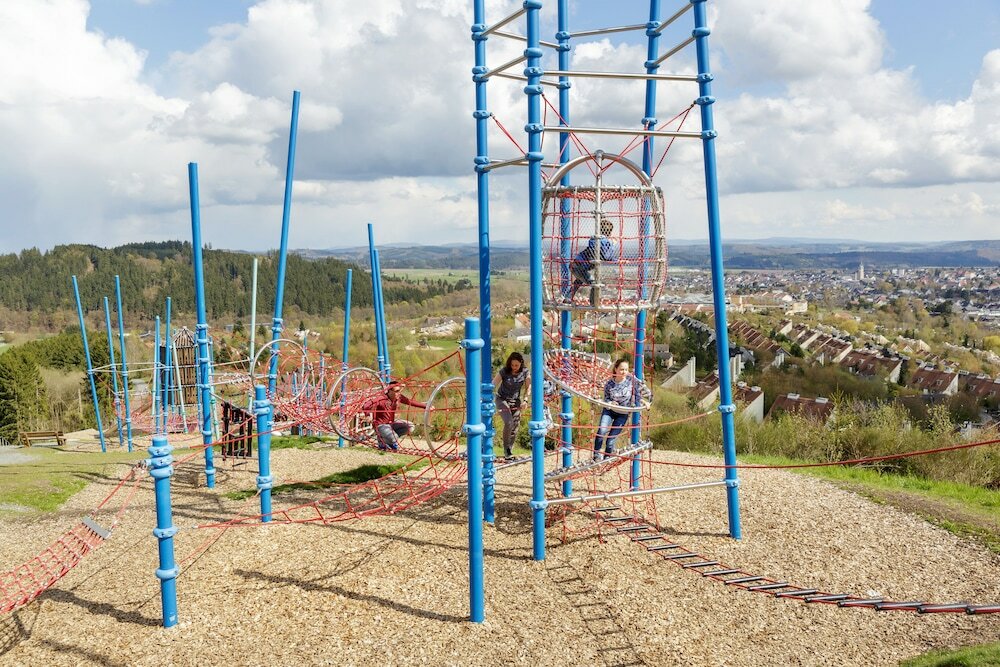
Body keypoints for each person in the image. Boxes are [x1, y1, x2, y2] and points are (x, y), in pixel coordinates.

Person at [361, 380, 429, 451]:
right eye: (396, 391)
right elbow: (366, 405)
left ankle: (386, 439)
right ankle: (383, 441)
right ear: (390, 391)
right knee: (394, 438)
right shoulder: (382, 399)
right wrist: (367, 415)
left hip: (391, 424)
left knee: (410, 426)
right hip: (381, 425)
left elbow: (410, 402)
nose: (398, 393)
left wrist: (426, 406)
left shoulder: (399, 397)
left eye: (399, 391)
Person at [593, 358, 639, 462]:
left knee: (611, 439)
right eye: (622, 369)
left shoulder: (631, 382)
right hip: (609, 411)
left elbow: (637, 395)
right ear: (616, 369)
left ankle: (607, 456)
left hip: (622, 413)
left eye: (626, 370)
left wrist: (642, 403)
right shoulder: (610, 384)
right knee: (602, 430)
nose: (624, 372)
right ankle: (596, 454)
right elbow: (606, 398)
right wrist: (610, 403)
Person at [567, 219, 618, 305]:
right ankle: (594, 303)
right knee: (594, 283)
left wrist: (615, 259)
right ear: (609, 232)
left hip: (577, 265)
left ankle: (568, 298)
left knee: (580, 280)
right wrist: (612, 244)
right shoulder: (603, 241)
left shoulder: (597, 239)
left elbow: (604, 256)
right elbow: (606, 256)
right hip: (579, 266)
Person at [493, 352, 531, 461]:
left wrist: (525, 400)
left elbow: (529, 386)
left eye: (516, 365)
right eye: (512, 365)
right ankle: (506, 450)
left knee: (515, 425)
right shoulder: (504, 371)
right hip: (502, 399)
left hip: (516, 401)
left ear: (521, 364)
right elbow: (493, 383)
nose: (514, 367)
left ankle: (510, 449)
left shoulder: (525, 372)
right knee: (508, 422)